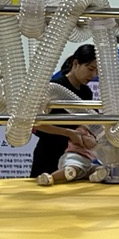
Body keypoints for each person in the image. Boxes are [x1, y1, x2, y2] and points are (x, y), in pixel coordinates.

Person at [29, 44, 98, 182]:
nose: (93, 75)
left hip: (74, 156)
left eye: (97, 71)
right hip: (49, 152)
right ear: (75, 63)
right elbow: (35, 123)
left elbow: (90, 123)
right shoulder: (54, 88)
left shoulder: (86, 92)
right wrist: (68, 133)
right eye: (90, 69)